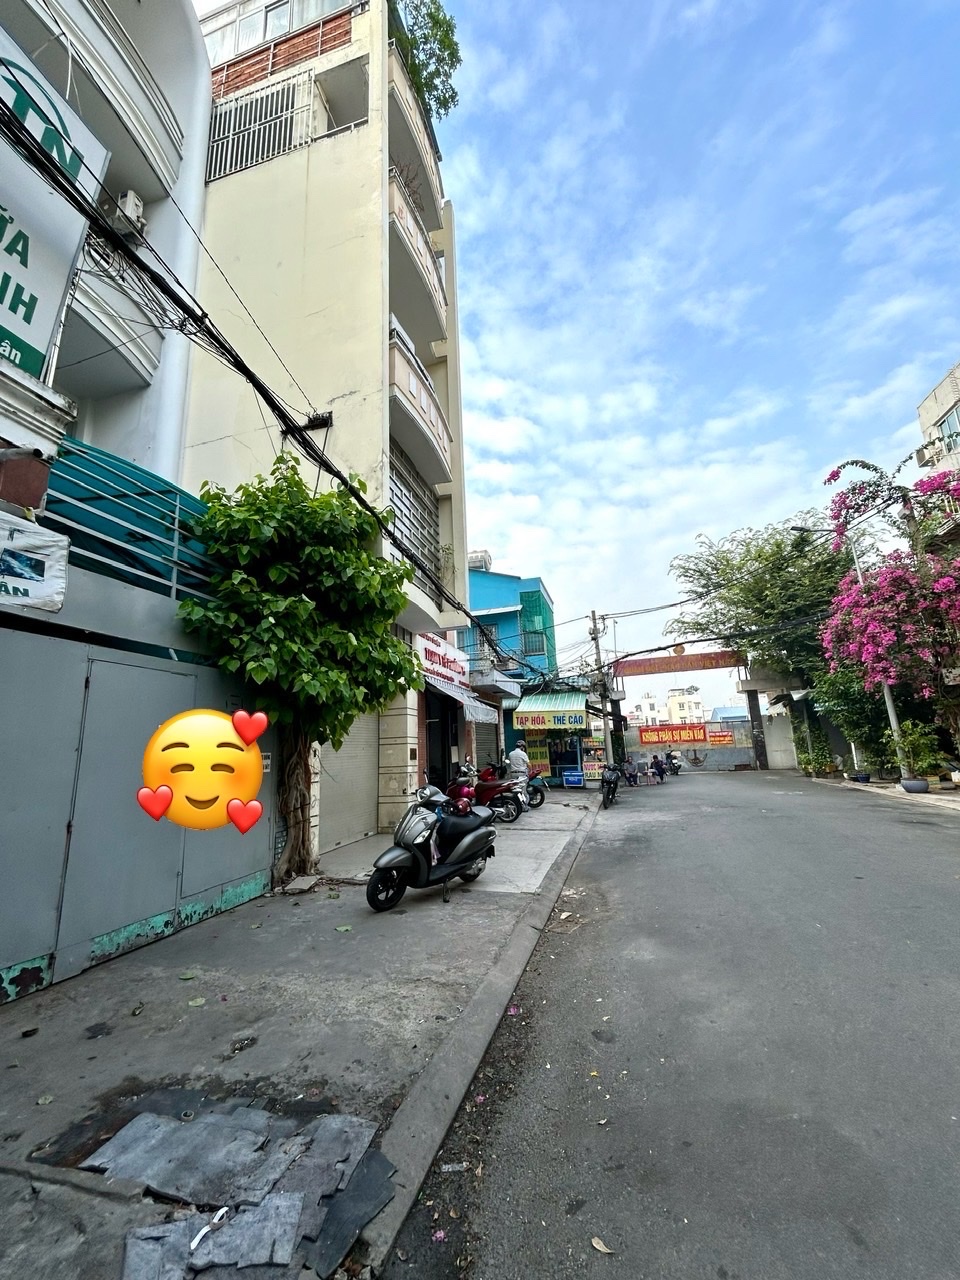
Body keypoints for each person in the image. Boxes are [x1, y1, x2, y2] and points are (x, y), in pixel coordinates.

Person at [508, 739, 531, 807]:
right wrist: (530, 770)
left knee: (515, 789)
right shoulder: (523, 754)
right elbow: (529, 764)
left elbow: (508, 762)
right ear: (522, 747)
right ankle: (524, 806)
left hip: (513, 774)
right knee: (523, 791)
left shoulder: (510, 753)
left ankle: (516, 804)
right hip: (522, 774)